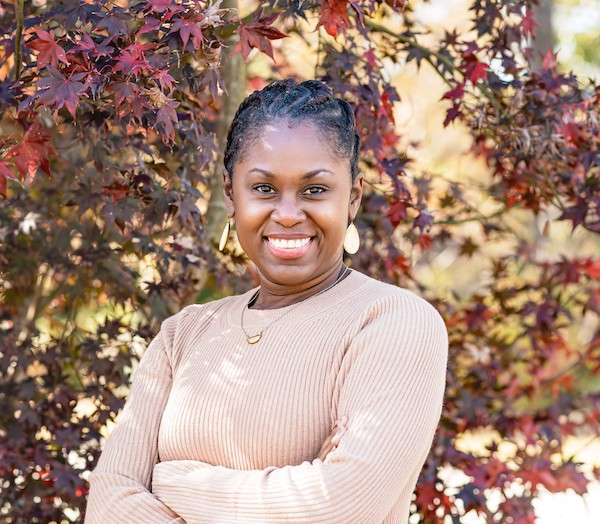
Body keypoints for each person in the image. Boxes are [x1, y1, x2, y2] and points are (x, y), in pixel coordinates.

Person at [84, 78, 449, 523]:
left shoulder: (393, 321)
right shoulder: (183, 334)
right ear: (230, 194)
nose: (289, 214)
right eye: (263, 189)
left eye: (315, 190)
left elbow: (338, 507)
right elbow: (109, 504)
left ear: (352, 197)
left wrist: (175, 482)